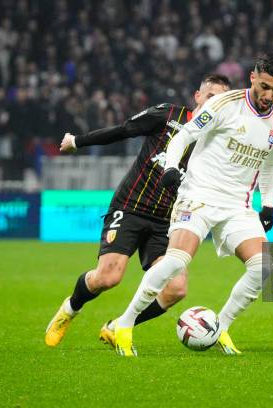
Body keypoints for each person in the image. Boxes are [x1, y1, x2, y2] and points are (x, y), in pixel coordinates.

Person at [112, 53, 273, 356]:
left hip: (237, 206)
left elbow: (269, 165)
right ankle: (124, 325)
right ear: (252, 77)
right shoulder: (223, 105)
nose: (269, 95)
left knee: (264, 266)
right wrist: (170, 167)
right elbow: (183, 137)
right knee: (176, 261)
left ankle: (220, 327)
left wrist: (269, 205)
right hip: (198, 195)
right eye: (264, 86)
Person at [45, 74, 231, 347]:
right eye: (212, 96)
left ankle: (118, 325)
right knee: (108, 277)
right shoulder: (168, 114)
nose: (217, 103)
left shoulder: (219, 139)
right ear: (198, 96)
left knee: (176, 289)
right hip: (131, 206)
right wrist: (77, 142)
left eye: (223, 100)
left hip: (168, 220)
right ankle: (69, 309)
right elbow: (124, 130)